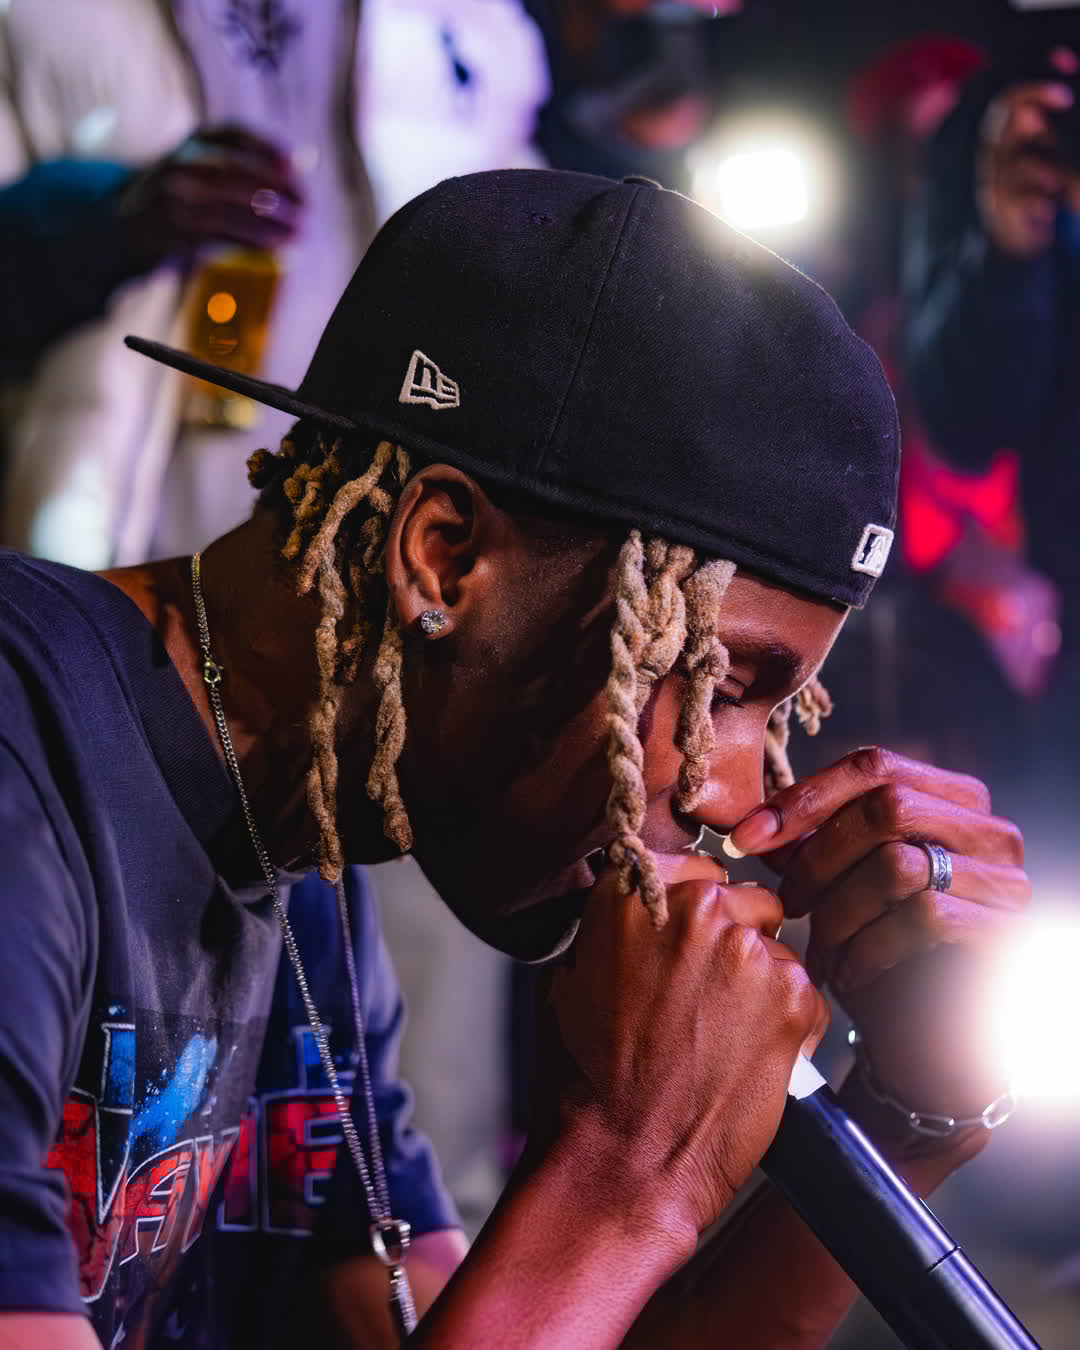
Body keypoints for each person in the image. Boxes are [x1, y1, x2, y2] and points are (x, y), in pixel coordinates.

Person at [0, 168, 1029, 1350]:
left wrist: (910, 1120)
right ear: (441, 559)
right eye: (713, 683)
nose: (728, 792)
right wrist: (625, 1169)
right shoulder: (24, 759)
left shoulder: (297, 871)